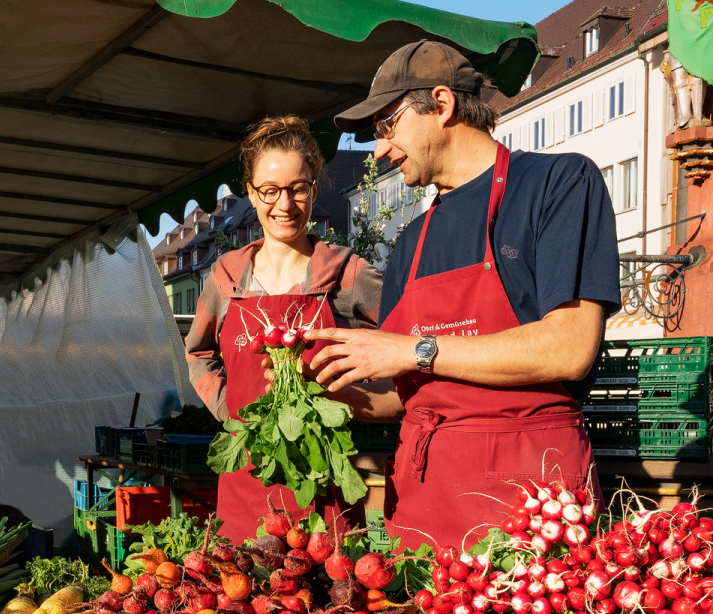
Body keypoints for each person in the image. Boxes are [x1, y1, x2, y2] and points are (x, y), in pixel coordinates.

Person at [304, 40, 621, 552]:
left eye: (386, 126)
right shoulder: (408, 243)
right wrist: (328, 390)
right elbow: (408, 392)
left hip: (530, 503)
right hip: (426, 503)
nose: (379, 149)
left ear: (442, 105)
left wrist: (412, 348)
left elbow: (570, 347)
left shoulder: (557, 184)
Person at [183, 115, 386, 542]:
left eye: (299, 188)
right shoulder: (226, 278)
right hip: (246, 479)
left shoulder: (348, 273)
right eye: (270, 191)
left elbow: (404, 343)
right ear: (252, 193)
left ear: (314, 188)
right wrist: (229, 409)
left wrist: (357, 398)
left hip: (321, 481)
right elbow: (198, 353)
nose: (285, 205)